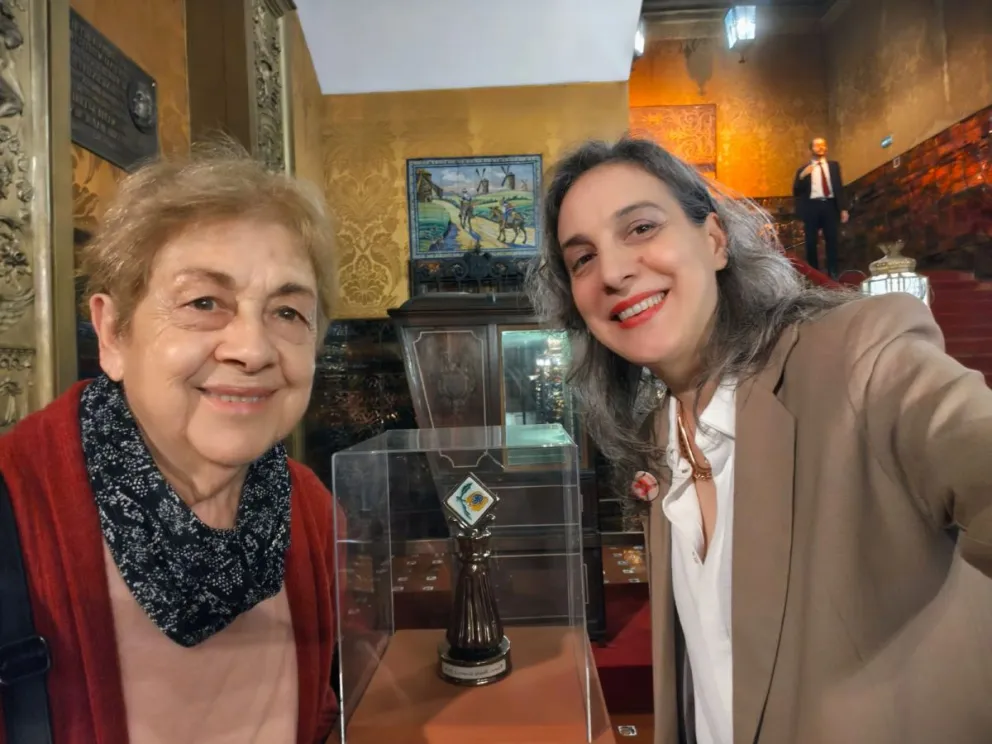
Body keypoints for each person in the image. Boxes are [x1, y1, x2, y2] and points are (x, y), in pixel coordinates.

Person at [527, 137, 992, 744]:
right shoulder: (658, 439)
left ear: (715, 240)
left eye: (640, 227)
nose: (612, 272)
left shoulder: (859, 357)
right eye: (583, 258)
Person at [0, 145, 341, 744]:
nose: (253, 349)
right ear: (113, 332)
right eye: (204, 303)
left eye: (288, 312)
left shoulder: (309, 511)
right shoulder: (16, 507)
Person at [792, 137, 848, 278]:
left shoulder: (834, 166)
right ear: (811, 149)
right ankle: (814, 274)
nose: (821, 147)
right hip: (812, 207)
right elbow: (796, 191)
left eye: (823, 145)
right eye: (817, 145)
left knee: (832, 240)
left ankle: (833, 273)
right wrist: (802, 176)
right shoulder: (803, 170)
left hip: (830, 205)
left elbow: (839, 187)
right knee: (811, 242)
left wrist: (843, 209)